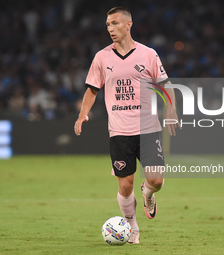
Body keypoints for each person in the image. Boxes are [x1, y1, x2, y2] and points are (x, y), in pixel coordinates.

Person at [74, 6, 181, 244]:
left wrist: (171, 108)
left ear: (128, 24)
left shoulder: (148, 54)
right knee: (125, 186)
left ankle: (148, 194)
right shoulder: (102, 57)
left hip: (149, 127)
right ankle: (132, 228)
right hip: (120, 131)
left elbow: (166, 84)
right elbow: (92, 89)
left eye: (115, 23)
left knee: (156, 181)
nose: (110, 29)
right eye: (108, 25)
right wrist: (82, 114)